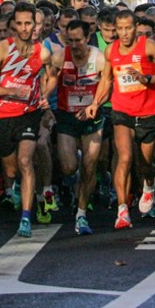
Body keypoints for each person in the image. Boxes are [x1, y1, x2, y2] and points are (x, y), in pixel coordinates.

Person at [0, 1, 54, 238]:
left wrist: (44, 96)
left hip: (29, 113)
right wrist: (12, 92)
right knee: (12, 168)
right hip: (2, 114)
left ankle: (26, 217)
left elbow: (52, 76)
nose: (25, 28)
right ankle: (14, 185)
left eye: (30, 23)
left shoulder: (42, 52)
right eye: (21, 23)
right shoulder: (2, 49)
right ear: (13, 24)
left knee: (26, 161)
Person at [105, 8, 155, 229]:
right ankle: (122, 210)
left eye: (128, 28)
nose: (124, 33)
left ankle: (148, 184)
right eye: (120, 29)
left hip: (148, 110)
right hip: (122, 109)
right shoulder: (110, 50)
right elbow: (106, 80)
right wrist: (94, 103)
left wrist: (148, 78)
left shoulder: (148, 45)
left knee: (145, 164)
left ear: (135, 28)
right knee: (124, 157)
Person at [51, 19, 108, 236]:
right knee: (68, 167)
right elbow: (49, 80)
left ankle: (82, 213)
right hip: (67, 115)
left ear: (87, 38)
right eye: (70, 40)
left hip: (91, 115)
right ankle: (74, 181)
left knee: (90, 165)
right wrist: (45, 100)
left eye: (78, 40)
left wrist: (96, 103)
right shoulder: (59, 57)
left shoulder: (99, 58)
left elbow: (107, 83)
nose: (74, 45)